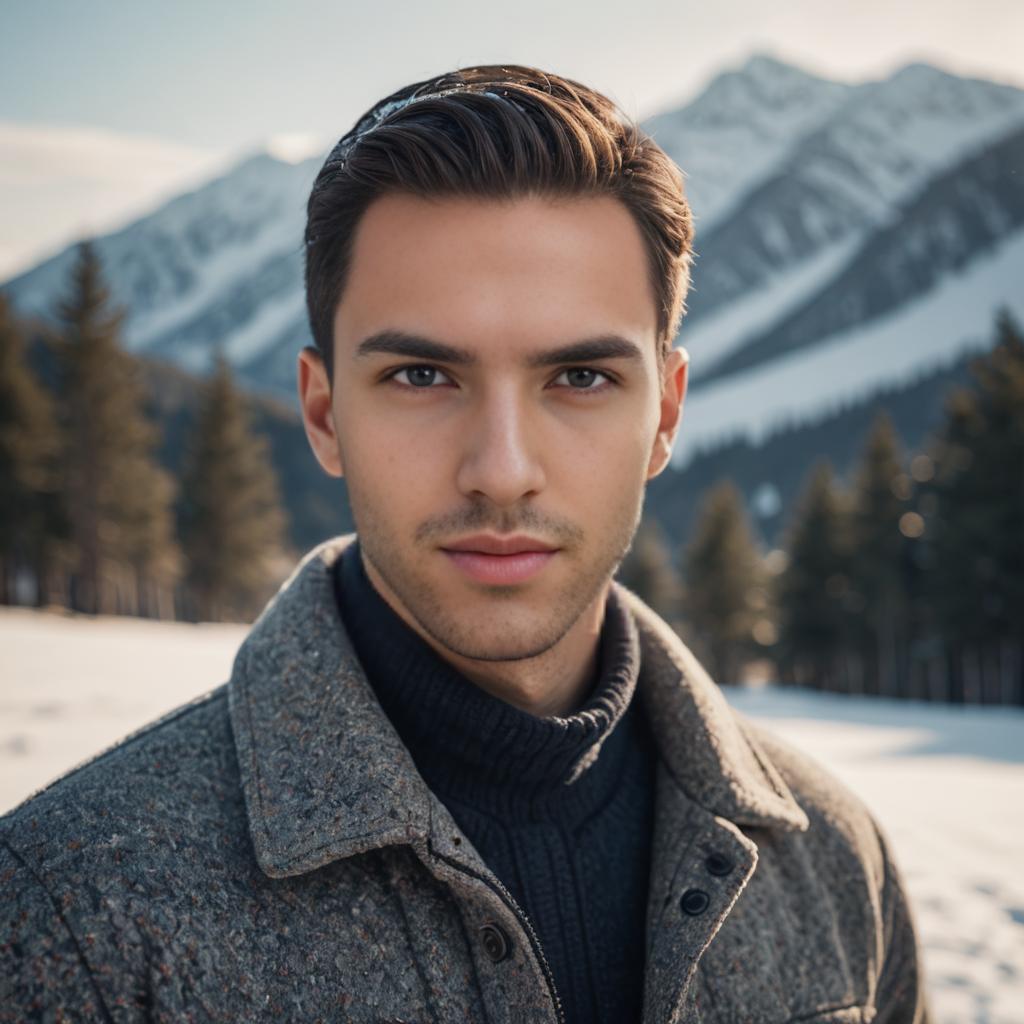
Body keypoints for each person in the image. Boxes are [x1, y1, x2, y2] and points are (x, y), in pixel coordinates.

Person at [0, 64, 931, 1023]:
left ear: (667, 415)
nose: (501, 469)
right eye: (420, 376)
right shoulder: (68, 917)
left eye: (578, 377)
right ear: (323, 413)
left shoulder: (833, 863)